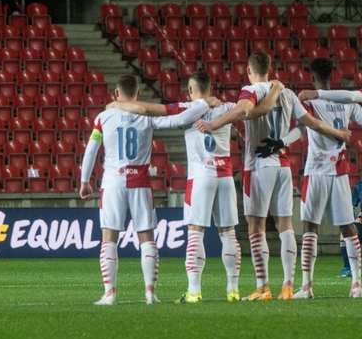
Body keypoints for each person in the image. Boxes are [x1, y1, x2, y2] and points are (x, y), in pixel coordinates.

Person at [111, 71, 283, 302]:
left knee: (195, 233)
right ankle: (233, 289)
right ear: (210, 89)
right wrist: (276, 88)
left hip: (200, 178)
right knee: (228, 234)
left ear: (190, 90)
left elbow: (146, 109)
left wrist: (116, 104)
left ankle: (194, 291)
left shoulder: (187, 109)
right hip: (225, 177)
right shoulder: (228, 108)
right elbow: (261, 109)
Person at [196, 51, 350, 301]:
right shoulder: (287, 93)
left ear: (249, 70)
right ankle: (288, 287)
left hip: (258, 164)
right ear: (269, 69)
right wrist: (337, 133)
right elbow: (311, 124)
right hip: (283, 165)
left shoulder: (251, 90)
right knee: (285, 225)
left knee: (255, 225)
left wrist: (214, 125)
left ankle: (263, 287)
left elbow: (243, 110)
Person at [79, 75, 212, 305]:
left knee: (109, 239)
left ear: (116, 94)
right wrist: (203, 105)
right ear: (138, 94)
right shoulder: (147, 117)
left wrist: (84, 181)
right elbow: (178, 119)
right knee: (147, 238)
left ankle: (110, 294)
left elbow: (91, 150)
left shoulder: (103, 118)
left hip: (113, 182)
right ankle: (150, 293)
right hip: (140, 182)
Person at [292, 59, 362, 297]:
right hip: (340, 170)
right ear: (332, 77)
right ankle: (357, 285)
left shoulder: (309, 101)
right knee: (348, 227)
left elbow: (308, 126)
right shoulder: (346, 101)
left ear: (312, 77)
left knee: (310, 226)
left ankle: (307, 286)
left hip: (316, 170)